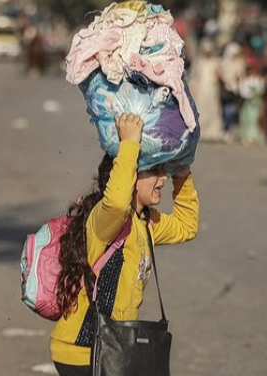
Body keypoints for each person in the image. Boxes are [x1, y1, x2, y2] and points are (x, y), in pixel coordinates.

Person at [50, 114, 199, 375]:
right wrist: (129, 144)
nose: (162, 179)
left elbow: (187, 225)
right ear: (129, 176)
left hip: (114, 346)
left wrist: (182, 173)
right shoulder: (106, 219)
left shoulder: (146, 222)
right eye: (154, 171)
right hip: (83, 349)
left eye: (163, 171)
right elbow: (118, 202)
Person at [191, 39, 224, 142]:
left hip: (212, 89)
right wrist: (193, 88)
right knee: (201, 111)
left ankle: (213, 132)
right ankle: (201, 132)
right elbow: (194, 77)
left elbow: (221, 74)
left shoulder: (216, 62)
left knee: (213, 111)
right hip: (201, 90)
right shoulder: (199, 62)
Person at [238, 63, 266, 145]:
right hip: (248, 103)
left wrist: (256, 94)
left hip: (257, 103)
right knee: (248, 120)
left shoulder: (259, 80)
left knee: (257, 119)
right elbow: (243, 91)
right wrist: (250, 95)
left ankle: (256, 137)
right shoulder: (246, 80)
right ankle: (247, 137)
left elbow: (261, 90)